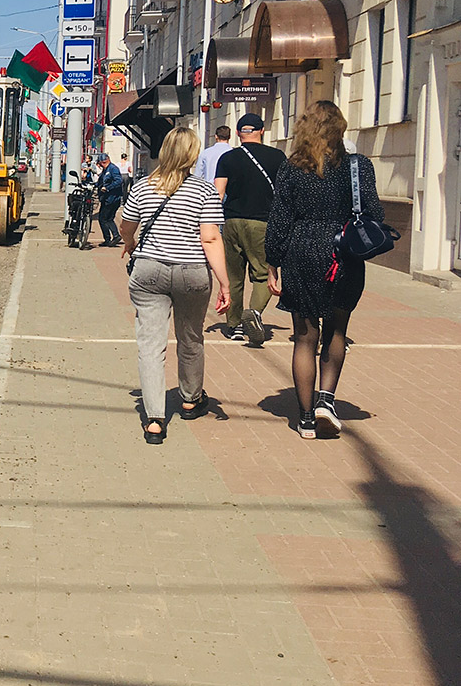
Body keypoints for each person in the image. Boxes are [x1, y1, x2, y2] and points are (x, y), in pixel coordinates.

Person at [265, 101, 380, 440]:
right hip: (343, 251)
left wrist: (273, 261)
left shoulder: (292, 168)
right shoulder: (358, 167)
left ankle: (304, 419)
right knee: (337, 329)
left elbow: (279, 219)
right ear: (339, 128)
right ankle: (326, 402)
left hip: (301, 249)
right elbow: (374, 212)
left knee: (304, 336)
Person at [119, 126, 231, 445]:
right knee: (191, 337)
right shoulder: (205, 191)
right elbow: (210, 238)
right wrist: (225, 283)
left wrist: (129, 243)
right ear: (193, 155)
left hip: (149, 271)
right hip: (191, 272)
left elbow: (126, 226)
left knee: (151, 345)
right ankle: (190, 399)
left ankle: (155, 420)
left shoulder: (143, 187)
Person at [214, 112, 285, 345]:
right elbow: (285, 195)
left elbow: (219, 194)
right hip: (262, 223)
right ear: (262, 131)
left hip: (232, 222)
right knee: (263, 274)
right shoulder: (278, 157)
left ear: (237, 133)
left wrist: (212, 225)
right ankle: (253, 314)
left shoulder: (227, 158)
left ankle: (233, 325)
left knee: (233, 276)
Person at [95, 151, 123, 246]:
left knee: (105, 218)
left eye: (100, 163)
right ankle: (111, 237)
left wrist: (107, 188)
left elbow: (119, 181)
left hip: (112, 198)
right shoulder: (105, 170)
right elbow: (101, 182)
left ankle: (113, 237)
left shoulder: (113, 169)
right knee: (106, 218)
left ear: (104, 161)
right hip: (106, 198)